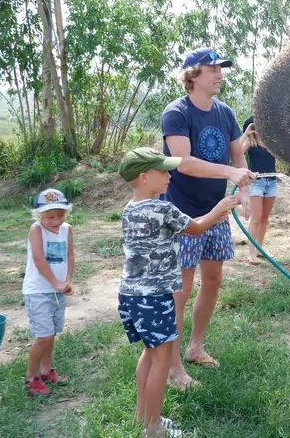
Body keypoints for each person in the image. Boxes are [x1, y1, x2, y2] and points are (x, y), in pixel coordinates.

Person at [117, 147, 239, 437]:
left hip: (131, 294)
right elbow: (196, 228)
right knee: (161, 361)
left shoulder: (129, 209)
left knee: (149, 353)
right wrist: (221, 209)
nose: (169, 175)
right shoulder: (163, 209)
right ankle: (153, 427)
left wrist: (212, 216)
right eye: (162, 171)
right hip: (156, 297)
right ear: (145, 178)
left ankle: (140, 416)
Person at [160, 47, 255, 390]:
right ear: (192, 75)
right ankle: (173, 371)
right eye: (213, 69)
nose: (220, 74)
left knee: (212, 280)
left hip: (216, 211)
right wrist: (230, 171)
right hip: (181, 212)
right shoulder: (176, 113)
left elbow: (238, 158)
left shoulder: (226, 113)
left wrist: (242, 188)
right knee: (181, 290)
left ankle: (195, 347)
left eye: (221, 68)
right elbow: (182, 162)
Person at [22, 188, 74, 397]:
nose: (56, 221)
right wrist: (55, 283)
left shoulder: (67, 229)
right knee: (43, 337)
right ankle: (31, 377)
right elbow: (38, 259)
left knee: (51, 334)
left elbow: (70, 255)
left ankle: (46, 371)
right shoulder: (36, 229)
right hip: (38, 292)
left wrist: (67, 280)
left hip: (57, 290)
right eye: (50, 216)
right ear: (39, 215)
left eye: (60, 215)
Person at [241, 117, 278, 265]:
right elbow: (236, 152)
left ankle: (259, 249)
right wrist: (245, 134)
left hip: (272, 182)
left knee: (264, 219)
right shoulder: (250, 142)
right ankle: (251, 254)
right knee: (256, 218)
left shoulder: (271, 143)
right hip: (256, 183)